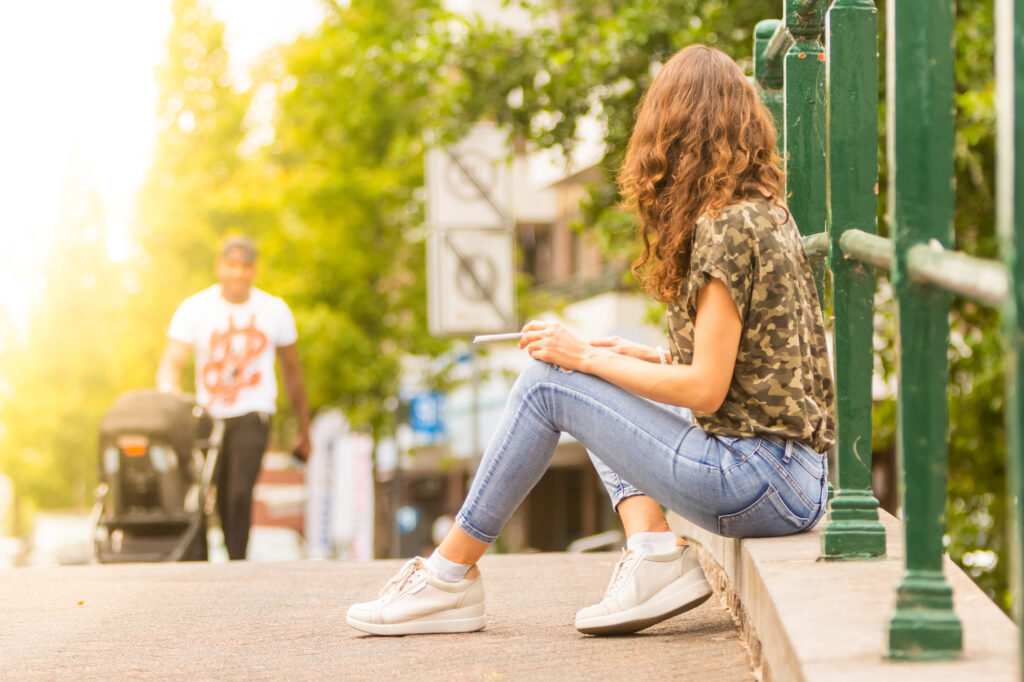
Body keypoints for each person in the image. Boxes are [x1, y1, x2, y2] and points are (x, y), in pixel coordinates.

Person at [346, 44, 834, 637]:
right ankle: (652, 551)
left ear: (674, 129)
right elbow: (754, 365)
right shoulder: (765, 213)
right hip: (799, 479)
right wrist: (631, 358)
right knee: (592, 370)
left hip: (755, 481)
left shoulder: (723, 228)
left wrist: (583, 357)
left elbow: (706, 389)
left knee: (546, 383)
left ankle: (448, 577)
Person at [156, 234, 312, 560]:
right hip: (208, 415)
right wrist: (170, 393)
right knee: (207, 494)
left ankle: (237, 563)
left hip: (253, 413)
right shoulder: (196, 308)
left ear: (253, 270)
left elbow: (293, 374)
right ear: (219, 267)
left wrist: (304, 431)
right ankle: (200, 564)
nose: (238, 273)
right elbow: (171, 364)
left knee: (239, 493)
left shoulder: (274, 310)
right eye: (231, 265)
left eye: (245, 266)